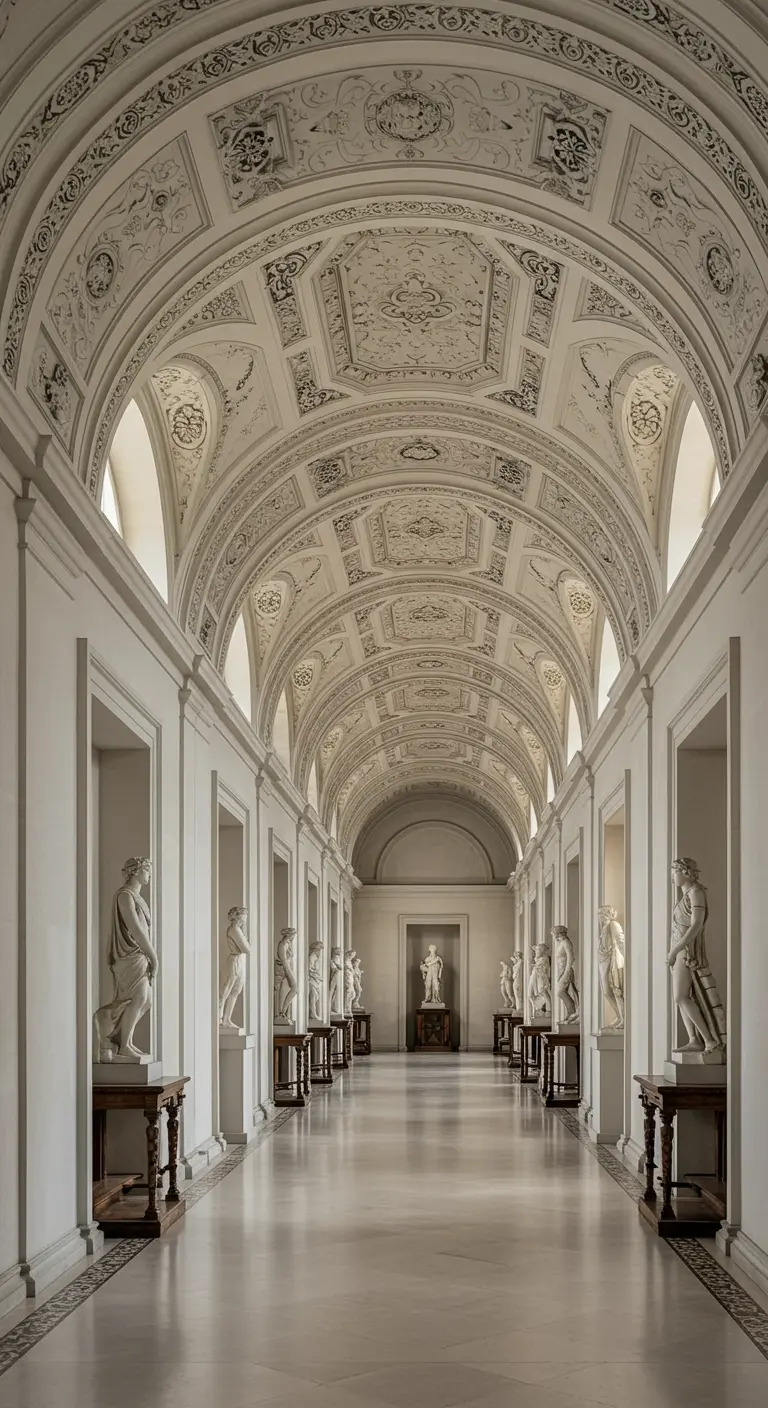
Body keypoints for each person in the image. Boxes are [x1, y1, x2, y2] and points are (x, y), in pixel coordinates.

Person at [93, 857, 157, 1061]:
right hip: (129, 955)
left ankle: (123, 1040)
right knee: (137, 997)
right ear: (135, 871)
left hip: (139, 954)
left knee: (146, 1000)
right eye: (147, 870)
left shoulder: (138, 897)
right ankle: (122, 1043)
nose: (149, 874)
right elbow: (136, 930)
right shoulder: (124, 896)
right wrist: (153, 956)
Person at [667, 858, 726, 1053]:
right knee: (683, 996)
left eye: (674, 872)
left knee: (681, 996)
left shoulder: (696, 893)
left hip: (688, 951)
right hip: (679, 951)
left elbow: (696, 925)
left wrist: (675, 950)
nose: (672, 877)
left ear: (686, 872)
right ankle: (694, 1039)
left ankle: (710, 1040)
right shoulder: (686, 895)